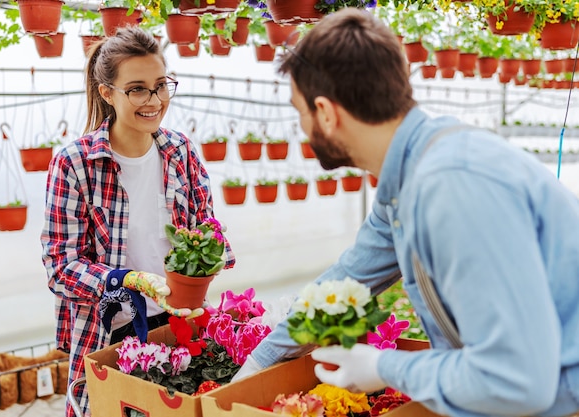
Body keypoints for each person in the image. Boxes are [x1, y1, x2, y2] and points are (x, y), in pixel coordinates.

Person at [233, 8, 579, 417]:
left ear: (326, 112)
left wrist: (384, 367)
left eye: (300, 111)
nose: (303, 128)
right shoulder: (408, 179)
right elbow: (347, 280)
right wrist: (255, 367)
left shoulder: (451, 186)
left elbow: (519, 379)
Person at [40, 27, 235, 417]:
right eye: (138, 89)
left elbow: (206, 231)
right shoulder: (75, 163)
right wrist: (125, 280)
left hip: (179, 322)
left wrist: (211, 254)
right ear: (107, 92)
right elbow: (61, 267)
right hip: (108, 331)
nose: (154, 100)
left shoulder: (180, 152)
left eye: (161, 85)